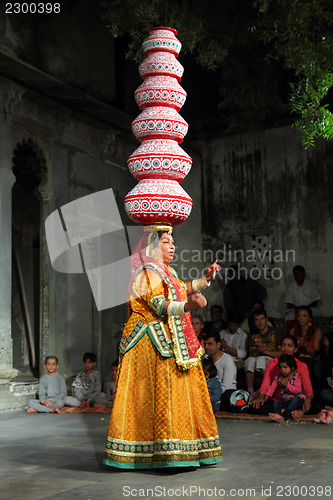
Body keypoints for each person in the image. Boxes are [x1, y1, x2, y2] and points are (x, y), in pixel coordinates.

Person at [103, 226, 222, 469]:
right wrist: (189, 307)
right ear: (151, 246)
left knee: (176, 391)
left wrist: (205, 279)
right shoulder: (147, 272)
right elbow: (159, 305)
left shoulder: (164, 271)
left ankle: (179, 448)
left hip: (164, 339)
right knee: (160, 393)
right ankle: (159, 451)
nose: (172, 246)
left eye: (172, 241)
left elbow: (181, 289)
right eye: (166, 241)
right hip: (148, 343)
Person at [250, 335, 313, 417]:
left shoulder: (301, 366)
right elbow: (266, 384)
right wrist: (261, 397)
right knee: (254, 407)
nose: (286, 348)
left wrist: (307, 401)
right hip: (277, 400)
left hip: (294, 399)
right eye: (283, 345)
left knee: (315, 406)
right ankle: (292, 412)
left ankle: (287, 412)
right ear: (280, 348)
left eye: (289, 345)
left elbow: (308, 389)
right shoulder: (273, 363)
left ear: (295, 349)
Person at [244, 309, 280, 393]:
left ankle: (268, 390)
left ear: (266, 320)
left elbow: (280, 353)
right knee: (250, 360)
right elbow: (251, 353)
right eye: (257, 320)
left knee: (260, 359)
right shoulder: (252, 335)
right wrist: (258, 350)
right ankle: (250, 392)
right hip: (256, 359)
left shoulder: (275, 332)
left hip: (271, 359)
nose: (260, 322)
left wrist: (264, 351)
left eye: (262, 319)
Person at [266, 354, 306, 422]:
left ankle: (284, 416)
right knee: (276, 403)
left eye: (285, 367)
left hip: (297, 399)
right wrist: (266, 397)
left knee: (295, 400)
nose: (282, 370)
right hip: (286, 400)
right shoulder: (279, 377)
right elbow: (272, 388)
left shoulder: (295, 377)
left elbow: (298, 390)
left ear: (292, 368)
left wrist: (287, 385)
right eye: (281, 367)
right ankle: (277, 415)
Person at [285, 265, 321, 331]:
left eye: (299, 273)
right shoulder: (290, 286)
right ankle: (292, 335)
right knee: (289, 316)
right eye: (295, 273)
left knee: (316, 314)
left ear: (304, 273)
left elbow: (315, 301)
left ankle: (312, 333)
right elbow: (289, 303)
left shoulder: (312, 284)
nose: (297, 275)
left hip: (310, 309)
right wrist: (299, 310)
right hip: (296, 310)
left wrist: (306, 309)